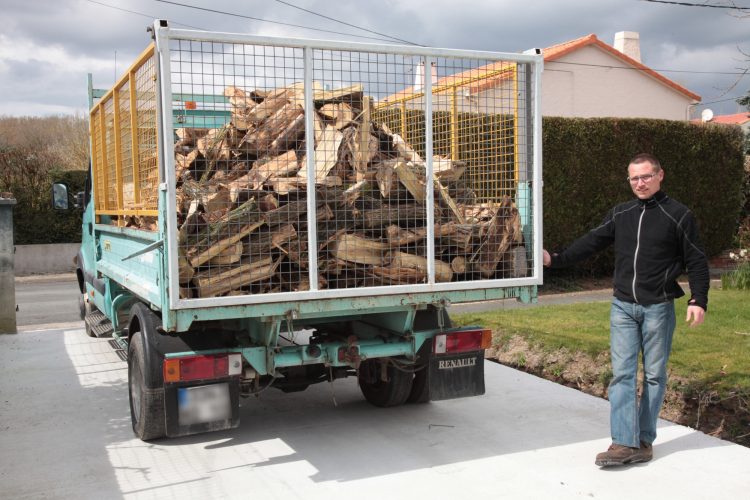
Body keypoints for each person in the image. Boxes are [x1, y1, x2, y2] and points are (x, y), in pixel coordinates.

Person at [542, 153, 709, 467]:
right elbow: (592, 241)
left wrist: (698, 299)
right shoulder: (622, 213)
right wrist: (555, 258)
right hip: (623, 307)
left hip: (658, 307)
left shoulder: (679, 215)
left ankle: (643, 440)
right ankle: (623, 442)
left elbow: (697, 261)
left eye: (646, 176)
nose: (640, 183)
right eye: (634, 178)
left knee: (655, 376)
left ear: (660, 176)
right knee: (622, 375)